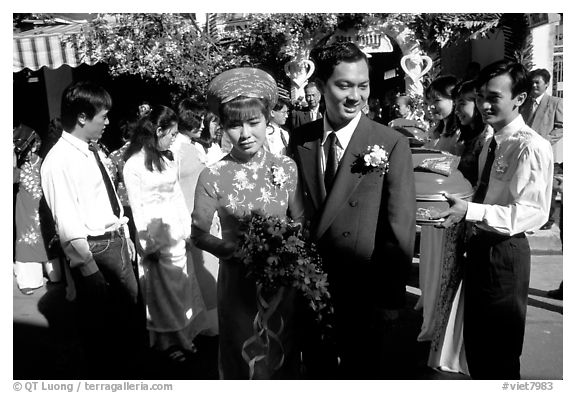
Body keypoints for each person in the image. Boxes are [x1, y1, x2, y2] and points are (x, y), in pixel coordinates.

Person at [290, 41, 416, 379]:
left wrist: (391, 295)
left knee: (363, 370)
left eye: (363, 86)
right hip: (311, 284)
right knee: (317, 369)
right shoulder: (300, 139)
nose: (355, 96)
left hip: (363, 288)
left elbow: (399, 224)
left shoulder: (390, 142)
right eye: (344, 85)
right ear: (320, 87)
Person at [432, 60, 554, 379]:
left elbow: (531, 213)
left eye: (495, 97)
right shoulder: (492, 141)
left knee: (500, 354)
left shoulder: (531, 147)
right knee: (476, 349)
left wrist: (471, 211)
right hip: (479, 249)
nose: (485, 105)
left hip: (505, 254)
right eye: (482, 96)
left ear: (519, 99)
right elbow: (485, 195)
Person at [192, 67, 304, 379]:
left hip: (283, 282)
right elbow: (199, 234)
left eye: (254, 123)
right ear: (222, 128)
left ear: (268, 121)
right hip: (238, 286)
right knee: (244, 357)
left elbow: (300, 220)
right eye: (234, 125)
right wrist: (235, 251)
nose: (245, 133)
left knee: (284, 351)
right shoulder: (212, 175)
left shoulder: (286, 167)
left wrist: (289, 251)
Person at [41, 81, 140, 378]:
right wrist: (88, 269)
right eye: (103, 116)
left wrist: (122, 233)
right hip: (95, 250)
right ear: (82, 117)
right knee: (104, 333)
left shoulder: (89, 150)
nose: (107, 122)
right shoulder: (58, 161)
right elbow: (68, 221)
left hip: (114, 242)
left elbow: (102, 200)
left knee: (125, 323)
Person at [123, 105, 208, 364]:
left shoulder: (165, 158)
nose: (174, 139)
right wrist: (150, 244)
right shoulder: (133, 164)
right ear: (157, 131)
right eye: (171, 134)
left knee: (183, 286)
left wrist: (186, 230)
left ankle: (187, 334)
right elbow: (138, 207)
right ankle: (168, 341)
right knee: (161, 293)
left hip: (176, 231)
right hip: (155, 235)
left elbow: (177, 196)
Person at [13, 125, 61, 294]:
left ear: (35, 146)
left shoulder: (43, 162)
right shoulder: (18, 165)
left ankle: (54, 274)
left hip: (42, 209)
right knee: (27, 240)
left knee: (47, 237)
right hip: (25, 209)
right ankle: (27, 279)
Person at [520, 68, 563, 230]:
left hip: (544, 151)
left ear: (546, 84)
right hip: (526, 150)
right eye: (532, 82)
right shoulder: (525, 102)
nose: (534, 85)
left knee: (546, 185)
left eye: (538, 82)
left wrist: (544, 142)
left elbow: (561, 127)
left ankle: (548, 219)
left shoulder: (555, 103)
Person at [452, 80, 494, 185]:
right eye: (455, 104)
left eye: (462, 104)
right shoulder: (466, 134)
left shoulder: (487, 137)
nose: (456, 110)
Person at [424, 75, 461, 154]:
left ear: (454, 100)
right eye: (429, 102)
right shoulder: (435, 130)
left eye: (437, 100)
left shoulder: (460, 134)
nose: (431, 106)